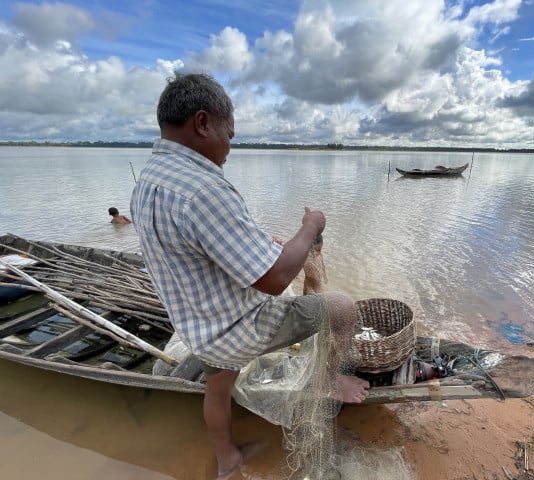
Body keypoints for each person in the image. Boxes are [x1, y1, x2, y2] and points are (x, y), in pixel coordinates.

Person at [130, 73, 369, 480]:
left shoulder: (148, 181)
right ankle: (329, 382)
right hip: (241, 325)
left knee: (218, 389)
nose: (229, 147)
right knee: (343, 308)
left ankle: (228, 460)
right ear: (203, 123)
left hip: (200, 327)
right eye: (230, 133)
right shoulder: (203, 188)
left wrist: (270, 248)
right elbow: (274, 279)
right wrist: (311, 226)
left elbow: (203, 250)